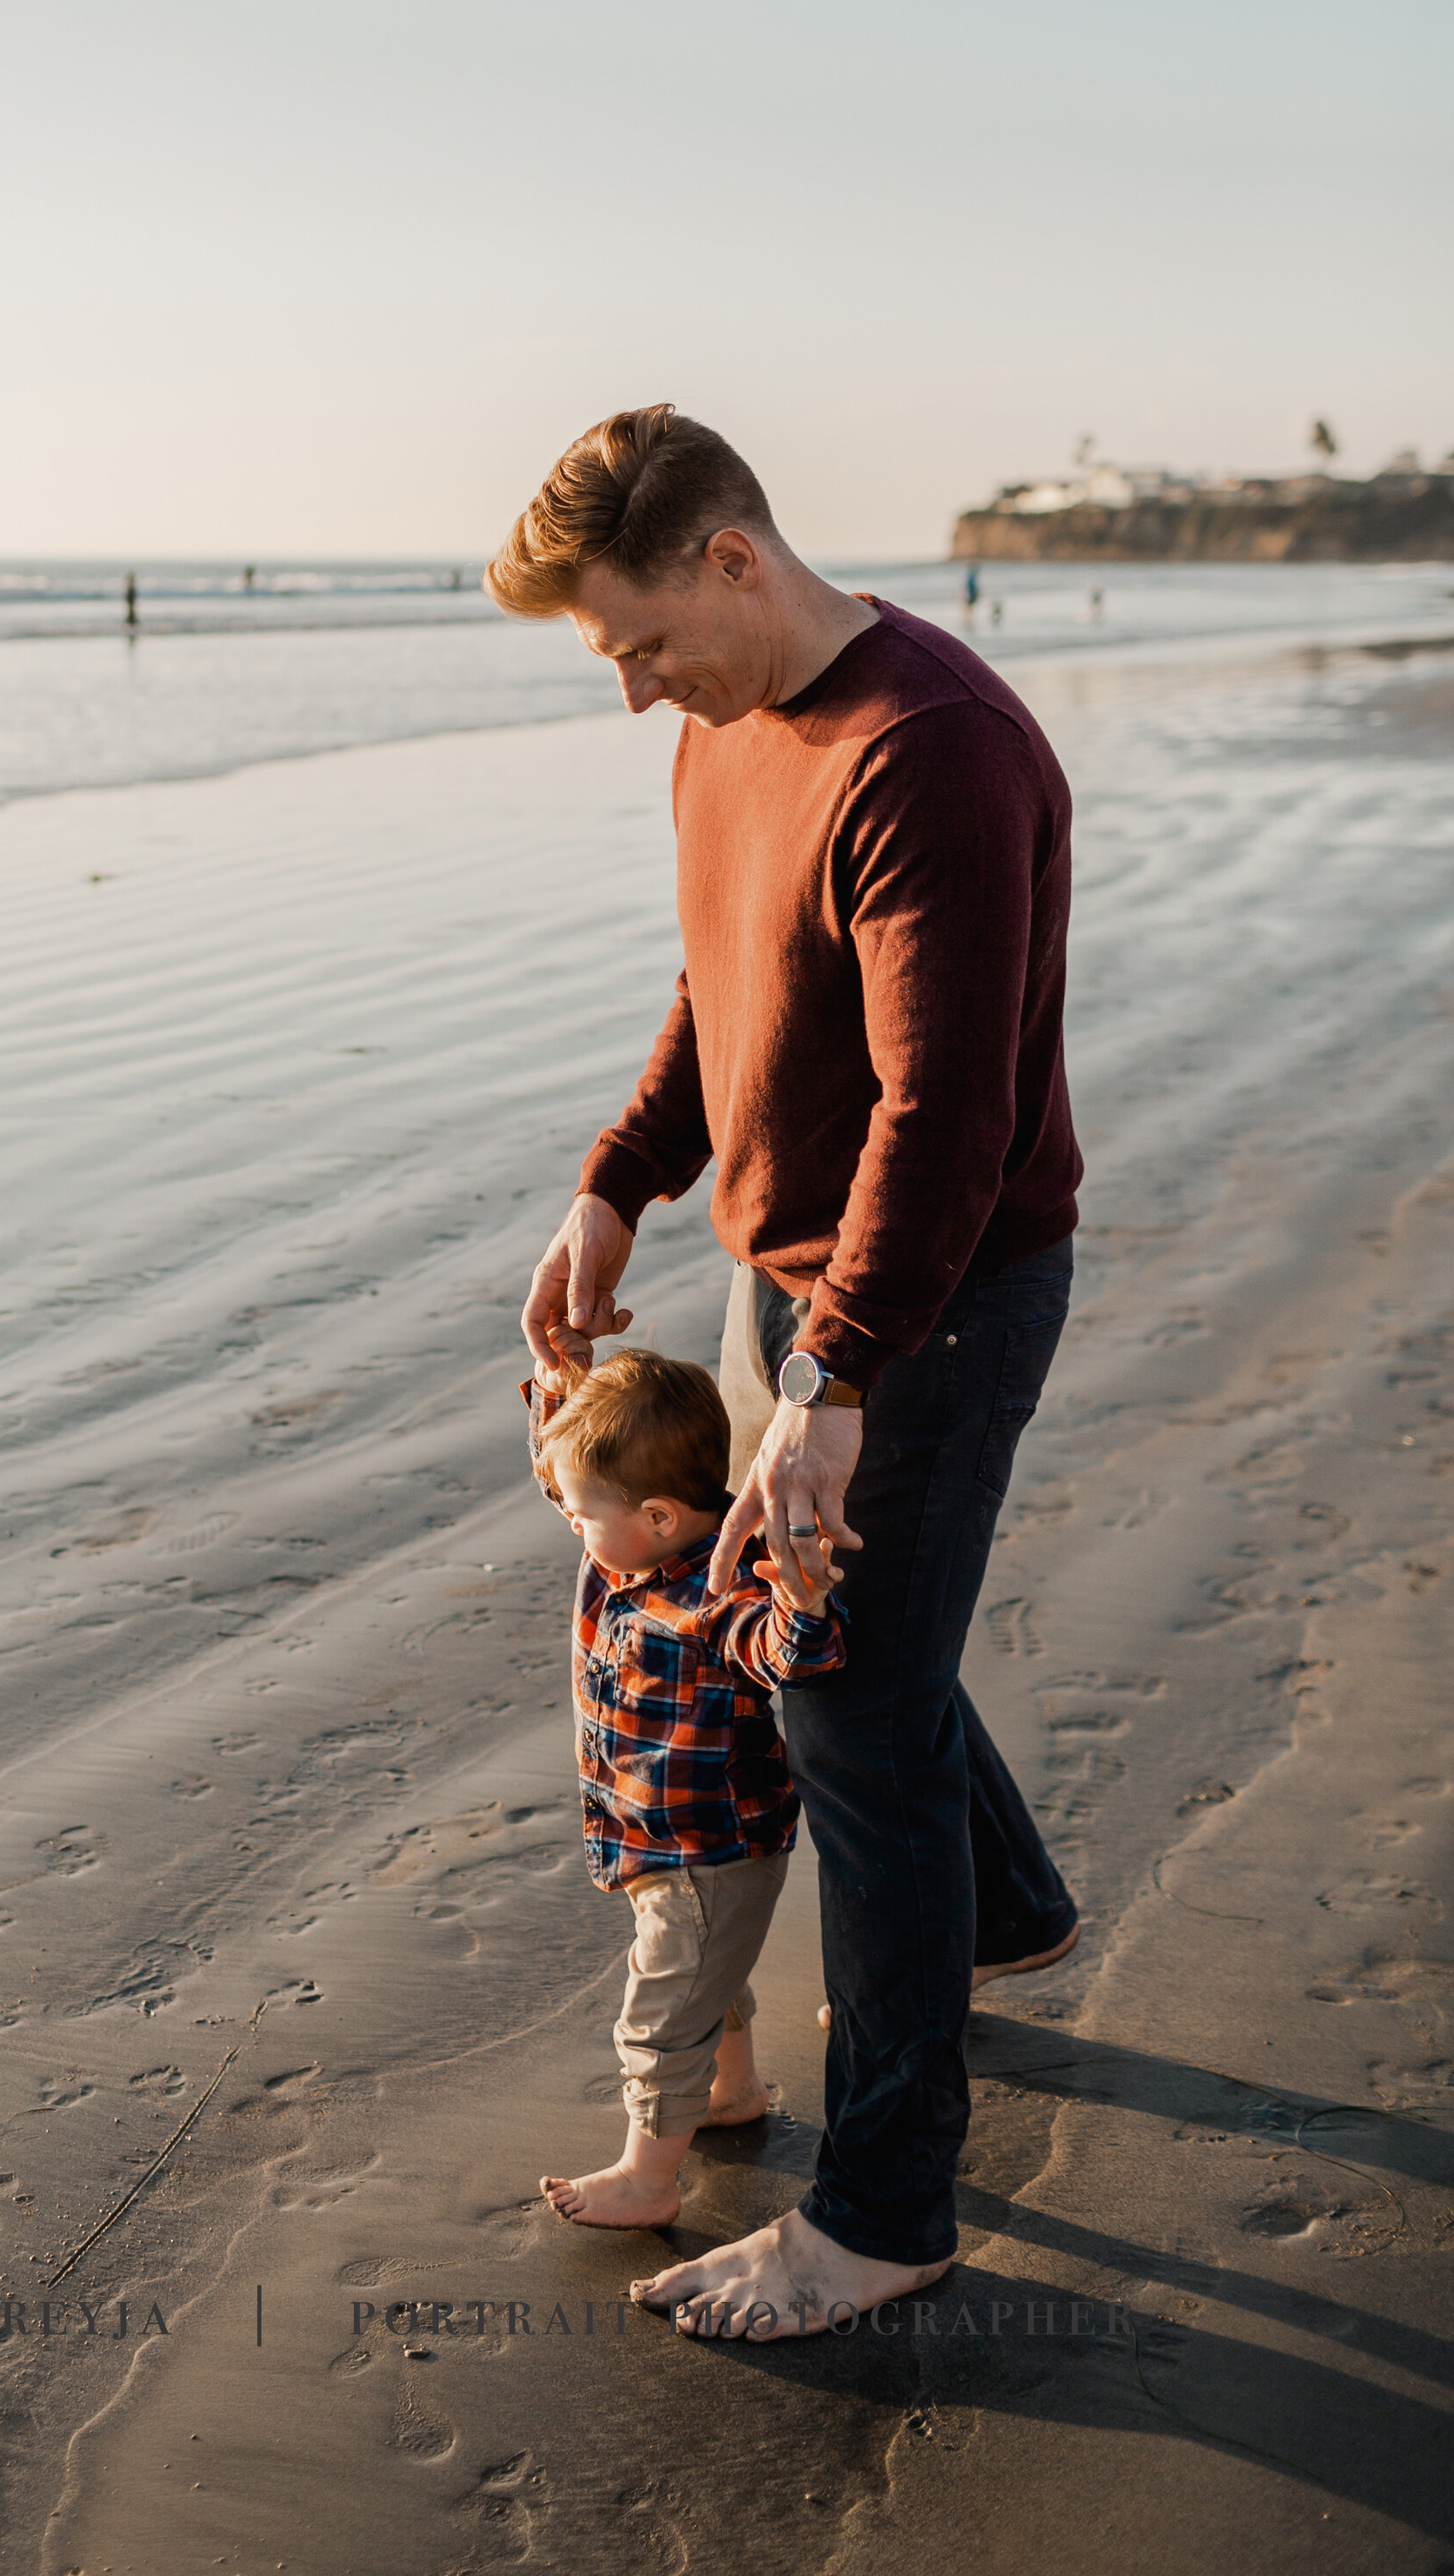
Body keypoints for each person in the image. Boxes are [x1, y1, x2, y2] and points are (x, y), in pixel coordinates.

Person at [490, 408, 1082, 2342]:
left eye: (638, 642)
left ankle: (884, 2206)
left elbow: (945, 1113)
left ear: (729, 560)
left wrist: (831, 1377)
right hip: (784, 1278)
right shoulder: (721, 730)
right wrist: (615, 1185)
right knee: (863, 1646)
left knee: (831, 1697)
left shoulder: (934, 754)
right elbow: (715, 985)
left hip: (927, 1299)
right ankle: (999, 1919)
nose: (634, 689)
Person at [529, 1351, 844, 2232]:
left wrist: (804, 1600)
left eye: (581, 1513)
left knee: (661, 2015)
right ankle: (730, 2092)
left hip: (709, 1849)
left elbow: (792, 1656)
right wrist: (557, 1380)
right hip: (654, 1836)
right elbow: (569, 1470)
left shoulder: (716, 1592)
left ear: (657, 1515)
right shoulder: (623, 1547)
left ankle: (646, 2178)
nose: (568, 1521)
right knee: (709, 1981)